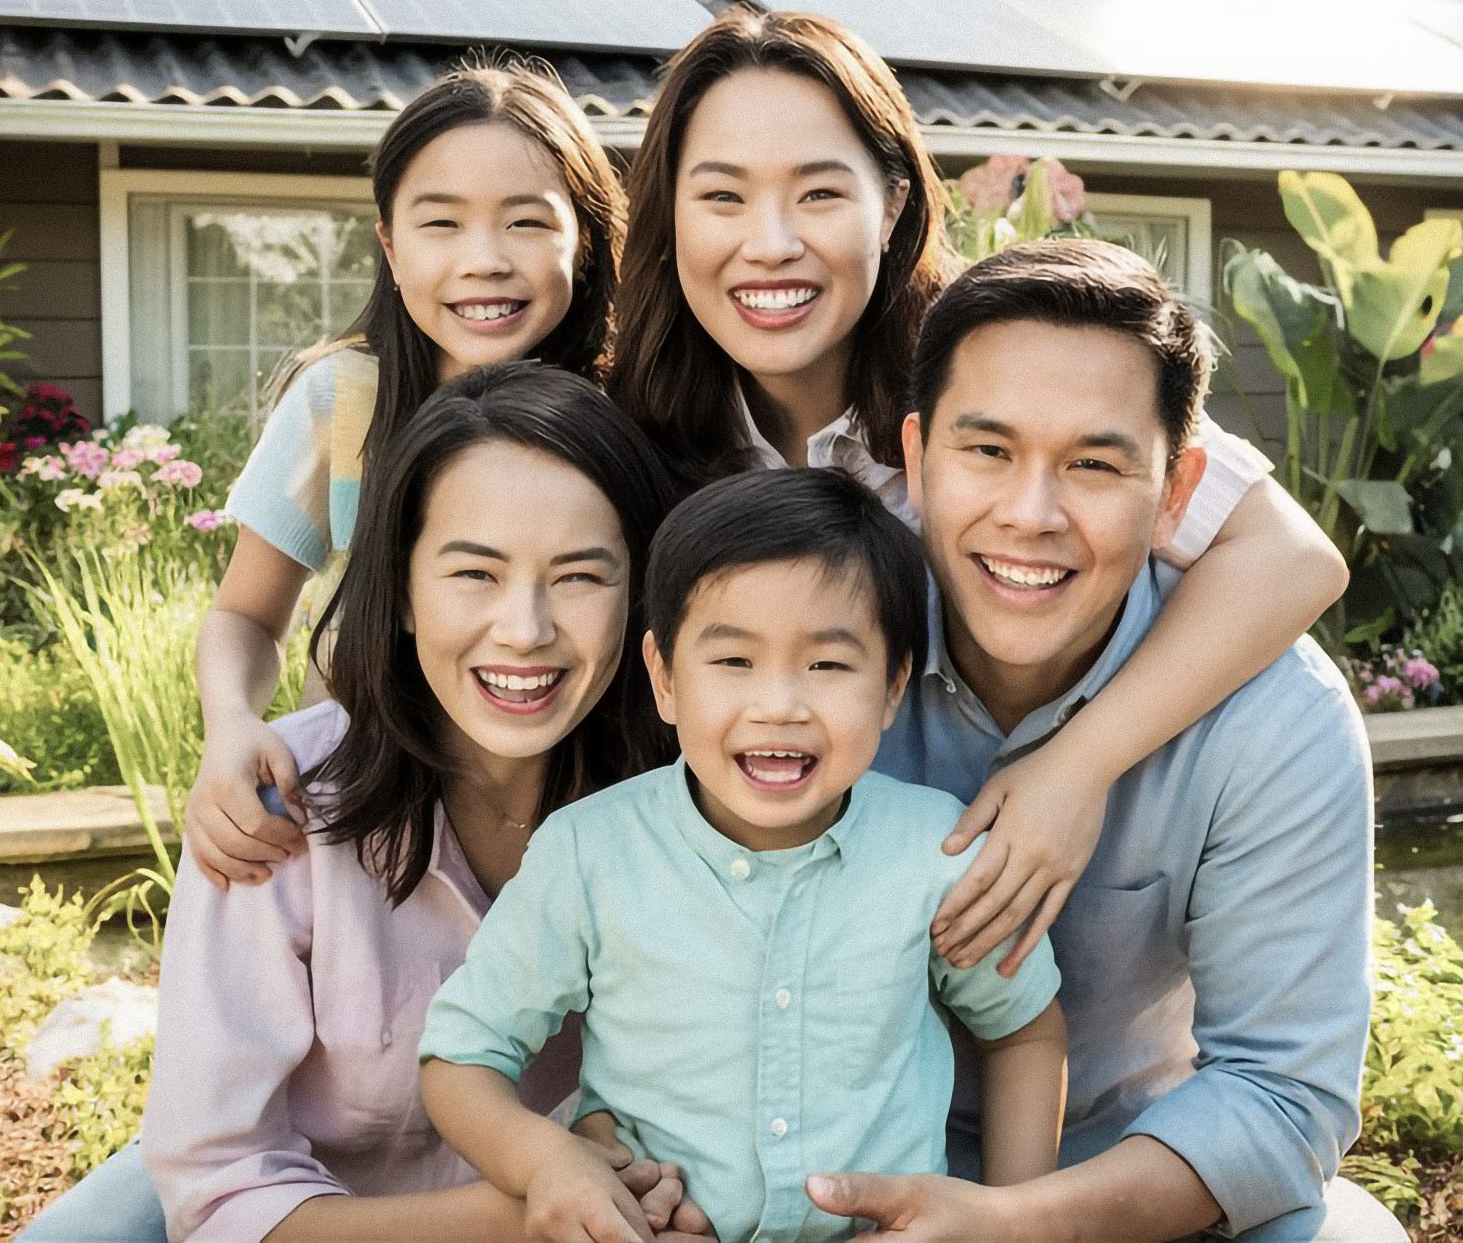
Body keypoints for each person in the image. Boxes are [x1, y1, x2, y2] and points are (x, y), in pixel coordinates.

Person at [602, 7, 1348, 978]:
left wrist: (1078, 766)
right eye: (722, 197)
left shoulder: (998, 380)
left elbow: (1291, 560)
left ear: (895, 201)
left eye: (820, 193)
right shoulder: (632, 430)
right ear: (666, 216)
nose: (771, 242)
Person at [18, 365, 711, 1243]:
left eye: (579, 577)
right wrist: (519, 1208)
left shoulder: (692, 816)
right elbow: (223, 1188)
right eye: (474, 574)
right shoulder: (279, 806)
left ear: (638, 597)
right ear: (406, 592)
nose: (525, 629)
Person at [795, 240, 1399, 1243]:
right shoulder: (816, 653)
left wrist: (1028, 1224)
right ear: (914, 459)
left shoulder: (1274, 717)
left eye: (1094, 464)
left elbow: (1285, 1097)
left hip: (1127, 1180)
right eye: (985, 452)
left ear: (1175, 490)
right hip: (835, 1169)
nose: (1029, 516)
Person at [418, 469, 1069, 1243]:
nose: (779, 706)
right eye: (733, 662)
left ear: (893, 685)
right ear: (663, 678)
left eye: (828, 666)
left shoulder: (937, 851)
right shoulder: (591, 853)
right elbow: (461, 1057)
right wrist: (547, 1162)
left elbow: (1025, 1030)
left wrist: (1012, 1220)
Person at [188, 61, 629, 889]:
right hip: (376, 823)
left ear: (587, 239)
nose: (485, 260)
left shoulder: (627, 414)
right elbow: (244, 617)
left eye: (527, 223)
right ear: (389, 245)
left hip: (579, 821)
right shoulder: (343, 401)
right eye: (442, 224)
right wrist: (232, 725)